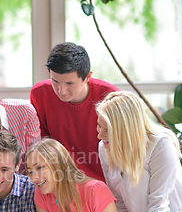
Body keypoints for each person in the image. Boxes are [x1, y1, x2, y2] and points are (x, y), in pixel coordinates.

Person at [30, 42, 119, 181]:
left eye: (69, 83)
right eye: (55, 81)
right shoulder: (39, 94)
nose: (61, 90)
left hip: (106, 184)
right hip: (61, 182)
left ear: (88, 77)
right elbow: (43, 145)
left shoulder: (110, 97)